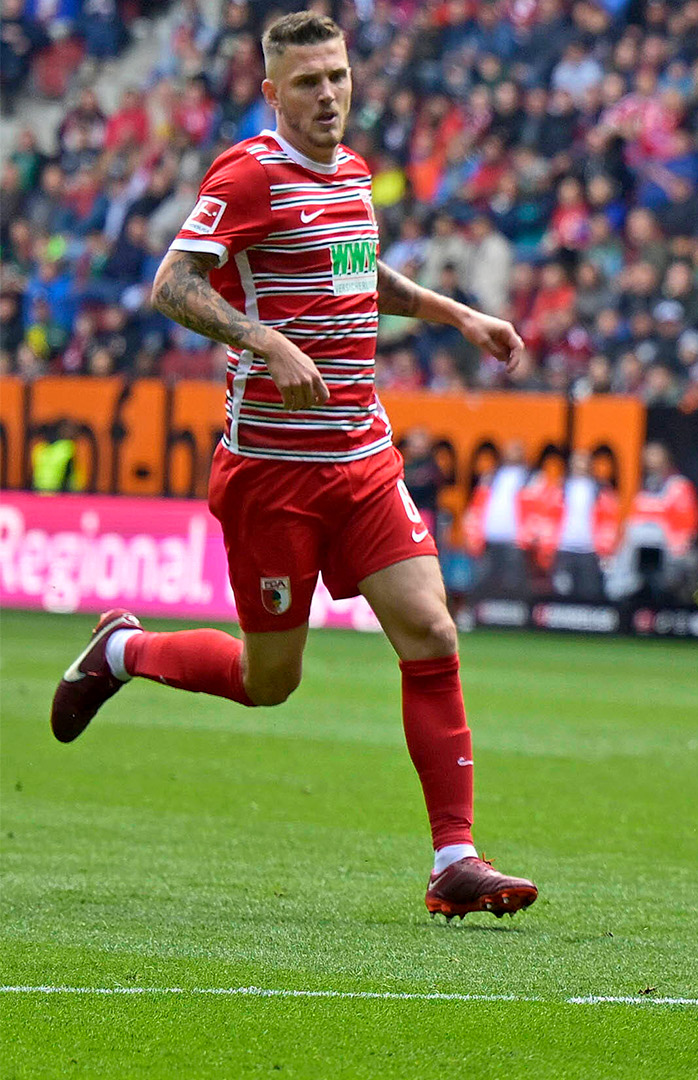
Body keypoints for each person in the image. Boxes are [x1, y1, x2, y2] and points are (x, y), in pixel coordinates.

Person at [49, 12, 537, 919]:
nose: (328, 95)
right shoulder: (247, 175)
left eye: (338, 77)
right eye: (308, 82)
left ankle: (453, 859)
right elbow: (173, 284)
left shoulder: (353, 174)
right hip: (272, 470)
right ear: (273, 93)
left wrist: (459, 314)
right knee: (271, 681)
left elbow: (364, 275)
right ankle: (121, 650)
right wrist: (260, 337)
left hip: (360, 455)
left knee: (431, 632)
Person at [610, 442, 698, 604]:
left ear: (665, 459)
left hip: (667, 552)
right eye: (648, 457)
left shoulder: (678, 486)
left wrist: (676, 548)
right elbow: (632, 522)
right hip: (638, 553)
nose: (650, 461)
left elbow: (689, 523)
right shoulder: (644, 487)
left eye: (655, 456)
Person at [464, 440, 532, 599]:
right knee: (483, 577)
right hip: (490, 537)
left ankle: (515, 615)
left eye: (516, 450)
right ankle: (476, 611)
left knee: (514, 580)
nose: (512, 453)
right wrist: (473, 533)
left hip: (515, 539)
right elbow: (477, 505)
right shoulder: (492, 476)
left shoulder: (530, 477)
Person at [549, 449, 619, 602]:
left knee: (588, 593)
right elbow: (550, 517)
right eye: (576, 462)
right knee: (561, 591)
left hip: (589, 550)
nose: (580, 466)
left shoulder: (600, 489)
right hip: (564, 548)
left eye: (584, 462)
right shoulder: (561, 488)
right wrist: (549, 544)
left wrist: (605, 548)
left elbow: (608, 520)